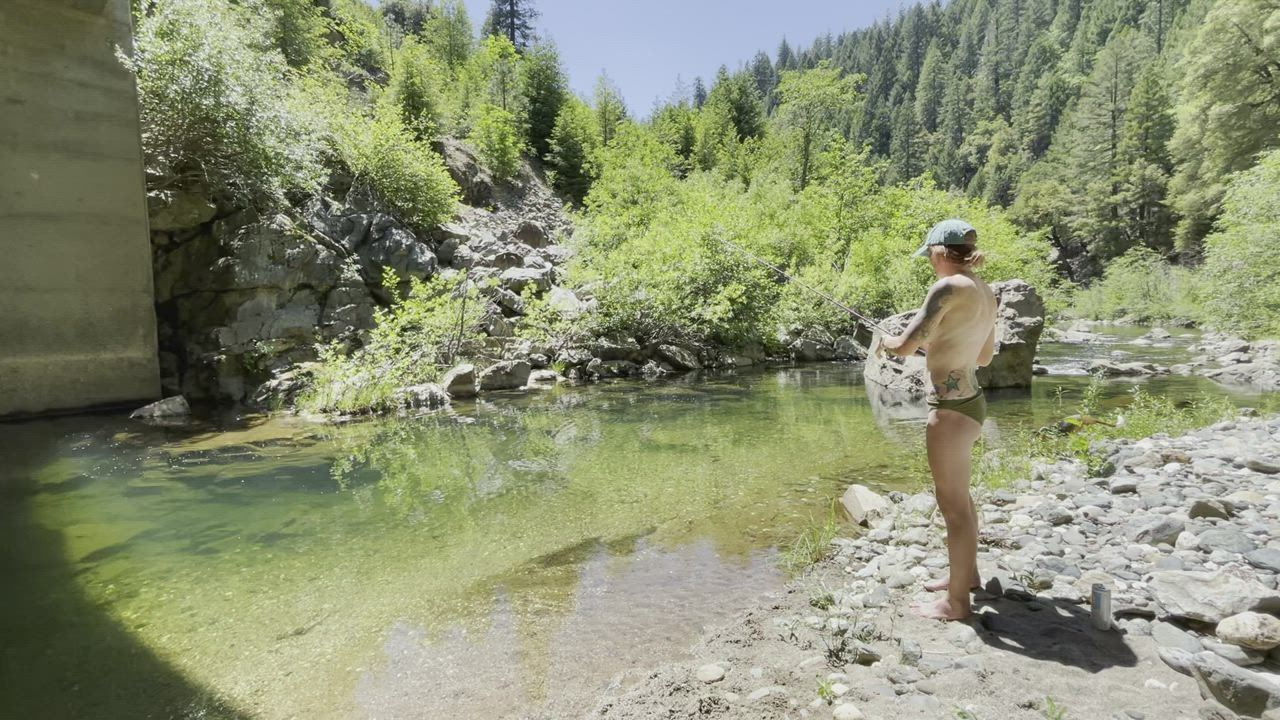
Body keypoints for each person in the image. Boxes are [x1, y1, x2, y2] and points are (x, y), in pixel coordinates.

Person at [878, 219, 997, 621]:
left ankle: (957, 604)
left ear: (942, 252)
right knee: (962, 500)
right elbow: (983, 356)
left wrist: (885, 340)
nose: (929, 262)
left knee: (953, 508)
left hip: (948, 412)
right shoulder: (984, 291)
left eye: (930, 254)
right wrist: (940, 343)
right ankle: (968, 577)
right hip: (973, 404)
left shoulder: (947, 287)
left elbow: (904, 345)